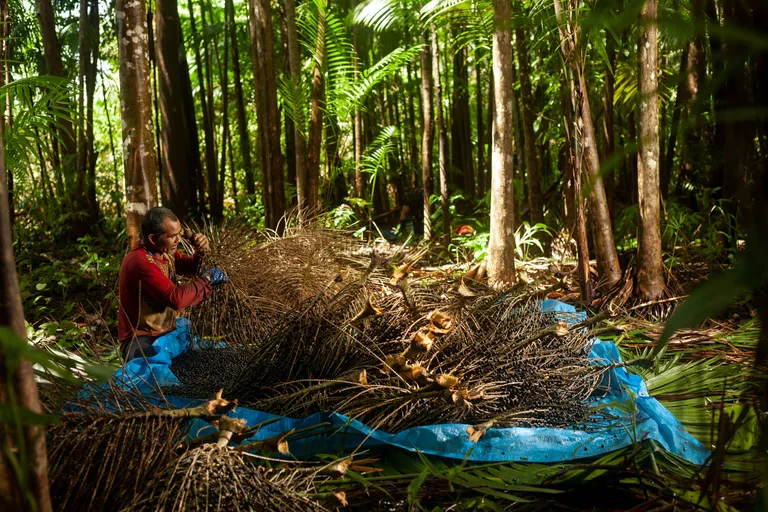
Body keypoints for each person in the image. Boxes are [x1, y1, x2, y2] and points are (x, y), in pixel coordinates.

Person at [118, 207, 226, 361]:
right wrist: (207, 279)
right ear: (152, 238)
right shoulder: (140, 262)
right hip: (140, 340)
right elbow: (176, 299)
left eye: (179, 234)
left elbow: (190, 268)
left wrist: (201, 252)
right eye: (172, 236)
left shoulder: (163, 252)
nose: (179, 240)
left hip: (164, 332)